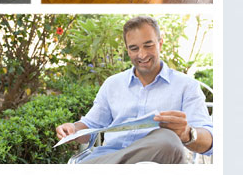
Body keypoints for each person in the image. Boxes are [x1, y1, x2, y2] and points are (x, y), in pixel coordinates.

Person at [56, 16, 213, 164]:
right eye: (134, 48)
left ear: (160, 44)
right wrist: (73, 130)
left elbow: (210, 143)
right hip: (110, 157)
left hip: (156, 161)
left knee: (168, 140)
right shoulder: (112, 84)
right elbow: (90, 125)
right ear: (127, 50)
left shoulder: (187, 86)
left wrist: (187, 133)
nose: (142, 54)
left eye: (148, 45)